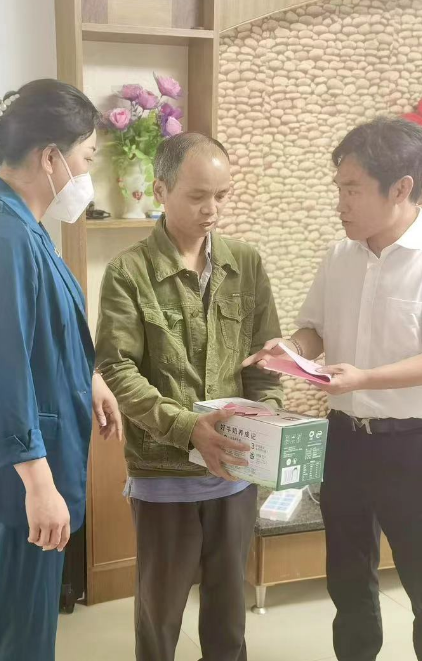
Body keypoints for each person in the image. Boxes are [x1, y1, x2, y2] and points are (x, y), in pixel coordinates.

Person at [244, 116, 422, 661]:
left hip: (417, 447)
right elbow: (315, 329)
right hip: (346, 441)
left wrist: (365, 378)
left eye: (352, 190)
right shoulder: (340, 257)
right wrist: (292, 348)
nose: (341, 204)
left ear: (400, 188)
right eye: (339, 189)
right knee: (348, 583)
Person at [0, 79, 122, 661]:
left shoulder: (19, 227)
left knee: (25, 636)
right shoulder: (0, 238)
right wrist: (39, 486)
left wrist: (89, 379)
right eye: (86, 158)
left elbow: (43, 333)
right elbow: (1, 370)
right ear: (49, 157)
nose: (87, 175)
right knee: (20, 646)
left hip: (17, 474)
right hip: (9, 485)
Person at [94, 132, 283, 661]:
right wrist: (186, 428)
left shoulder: (245, 264)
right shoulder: (129, 272)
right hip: (163, 474)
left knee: (228, 614)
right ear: (161, 190)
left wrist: (268, 425)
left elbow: (263, 361)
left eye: (221, 195)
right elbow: (117, 368)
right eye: (198, 196)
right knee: (160, 614)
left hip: (234, 472)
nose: (212, 209)